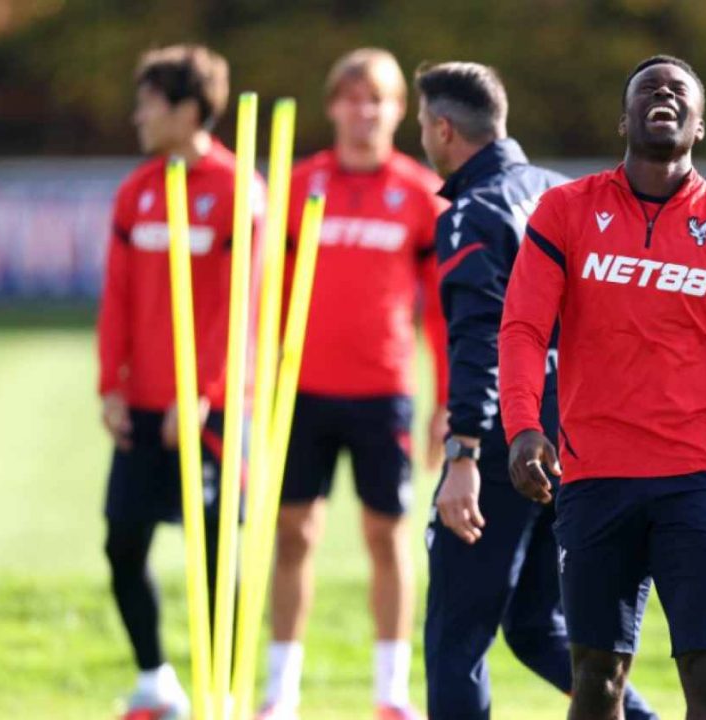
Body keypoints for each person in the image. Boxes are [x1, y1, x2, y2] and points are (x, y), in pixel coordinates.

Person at [500, 54, 706, 720]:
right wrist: (522, 427)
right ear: (623, 118)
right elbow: (521, 330)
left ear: (699, 124)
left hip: (699, 483)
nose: (663, 92)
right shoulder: (564, 211)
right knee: (596, 677)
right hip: (594, 478)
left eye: (678, 89)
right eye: (647, 88)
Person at [416, 61, 656, 720]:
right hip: (581, 440)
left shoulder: (472, 212)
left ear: (443, 129)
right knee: (535, 626)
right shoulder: (563, 194)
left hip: (505, 445)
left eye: (421, 126)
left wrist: (461, 453)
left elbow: (478, 339)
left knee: (455, 639)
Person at [261, 48, 449, 720]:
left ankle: (390, 693)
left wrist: (447, 402)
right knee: (293, 534)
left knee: (387, 534)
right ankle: (280, 692)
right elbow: (264, 297)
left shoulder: (420, 194)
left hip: (382, 392)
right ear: (333, 106)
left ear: (400, 111)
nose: (364, 111)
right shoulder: (298, 182)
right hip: (299, 392)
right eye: (352, 98)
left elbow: (440, 312)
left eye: (378, 100)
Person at [98, 44, 255, 719]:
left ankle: (226, 691)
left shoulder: (239, 190)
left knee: (215, 553)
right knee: (122, 541)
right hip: (140, 403)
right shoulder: (136, 191)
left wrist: (204, 393)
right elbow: (117, 297)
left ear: (189, 109)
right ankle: (156, 682)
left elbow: (241, 307)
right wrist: (111, 383)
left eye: (150, 102)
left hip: (211, 408)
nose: (138, 115)